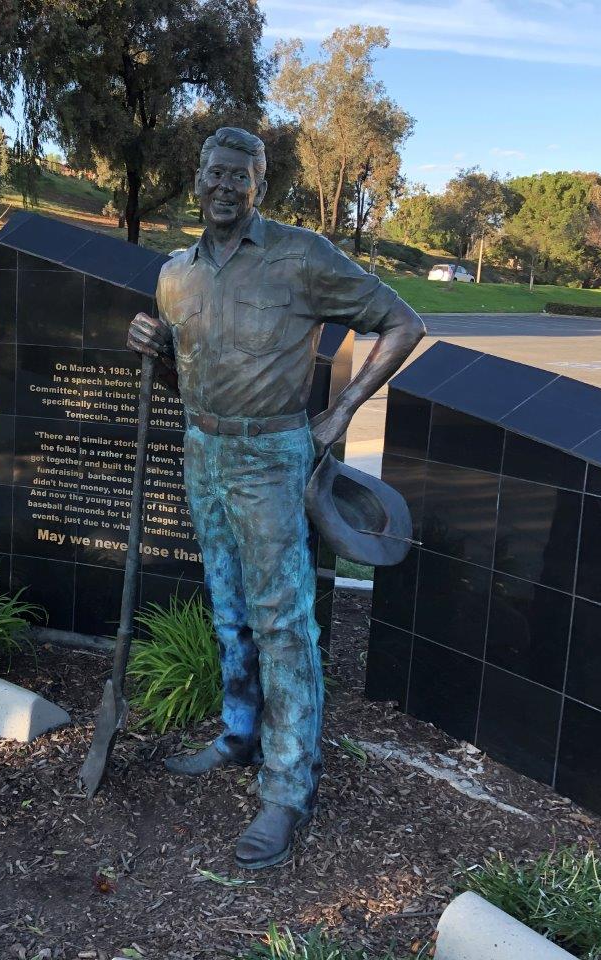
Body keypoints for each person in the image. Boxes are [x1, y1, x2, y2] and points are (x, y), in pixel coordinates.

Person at [127, 126, 425, 869]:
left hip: (271, 456)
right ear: (197, 180)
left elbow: (401, 322)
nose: (225, 187)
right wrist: (153, 352)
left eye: (241, 176)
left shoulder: (301, 256)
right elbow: (185, 379)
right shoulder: (175, 276)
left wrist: (345, 405)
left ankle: (289, 786)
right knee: (228, 607)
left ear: (260, 185)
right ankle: (237, 734)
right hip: (204, 448)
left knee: (283, 620)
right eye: (215, 173)